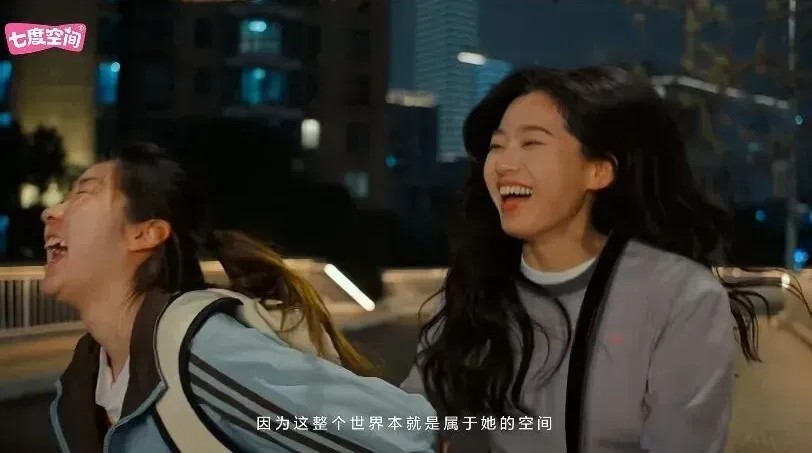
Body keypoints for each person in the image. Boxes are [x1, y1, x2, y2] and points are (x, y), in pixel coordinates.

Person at [400, 66, 774, 453]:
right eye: (497, 146)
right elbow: (411, 418)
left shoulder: (681, 297)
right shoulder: (476, 287)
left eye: (531, 143)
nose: (503, 164)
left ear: (598, 171)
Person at [43, 143, 437, 452]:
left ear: (145, 233)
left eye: (84, 194)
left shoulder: (198, 352)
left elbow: (410, 436)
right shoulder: (82, 385)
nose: (51, 213)